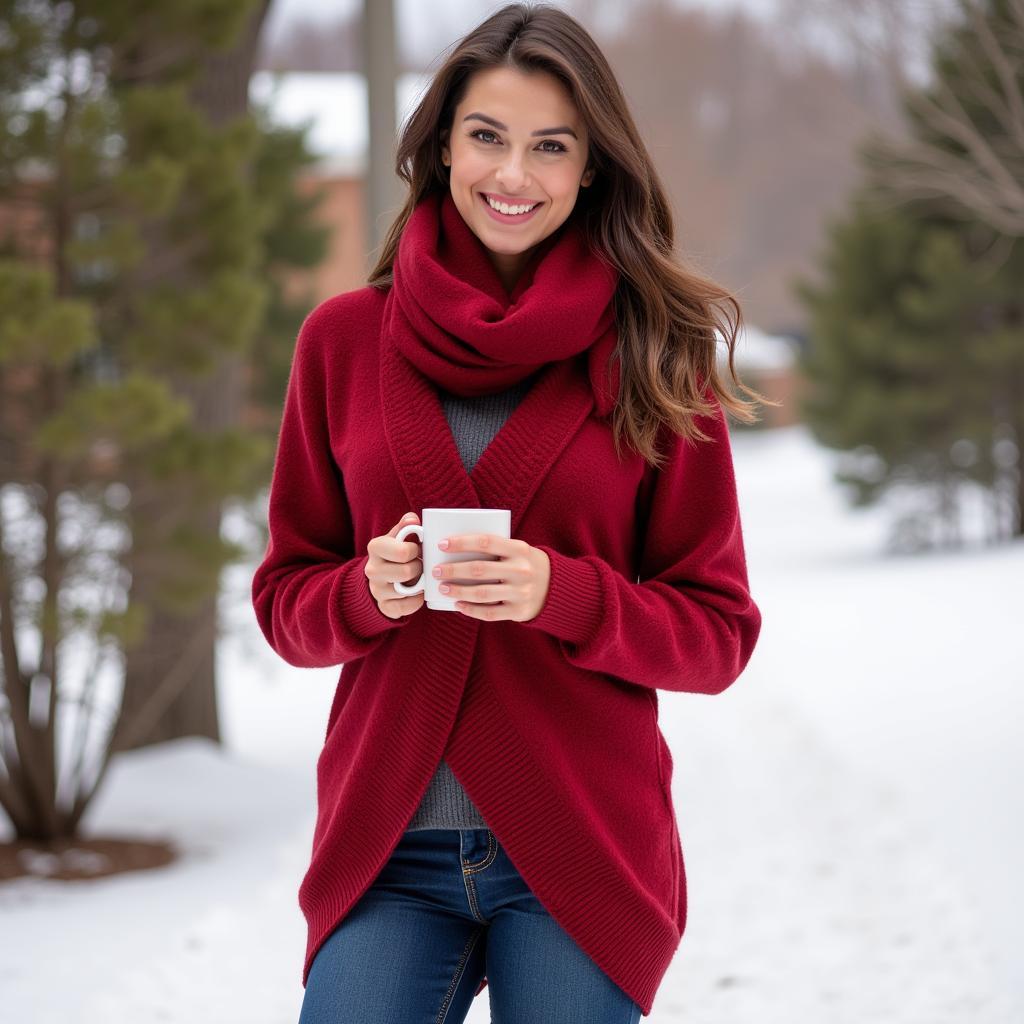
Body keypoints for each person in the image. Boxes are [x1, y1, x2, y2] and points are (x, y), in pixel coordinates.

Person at [251, 4, 768, 1021]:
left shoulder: (658, 353)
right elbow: (282, 600)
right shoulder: (342, 343)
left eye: (550, 147)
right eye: (487, 136)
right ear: (441, 144)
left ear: (591, 169)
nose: (513, 176)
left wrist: (563, 592)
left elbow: (717, 635)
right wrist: (363, 590)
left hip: (580, 852)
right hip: (386, 850)